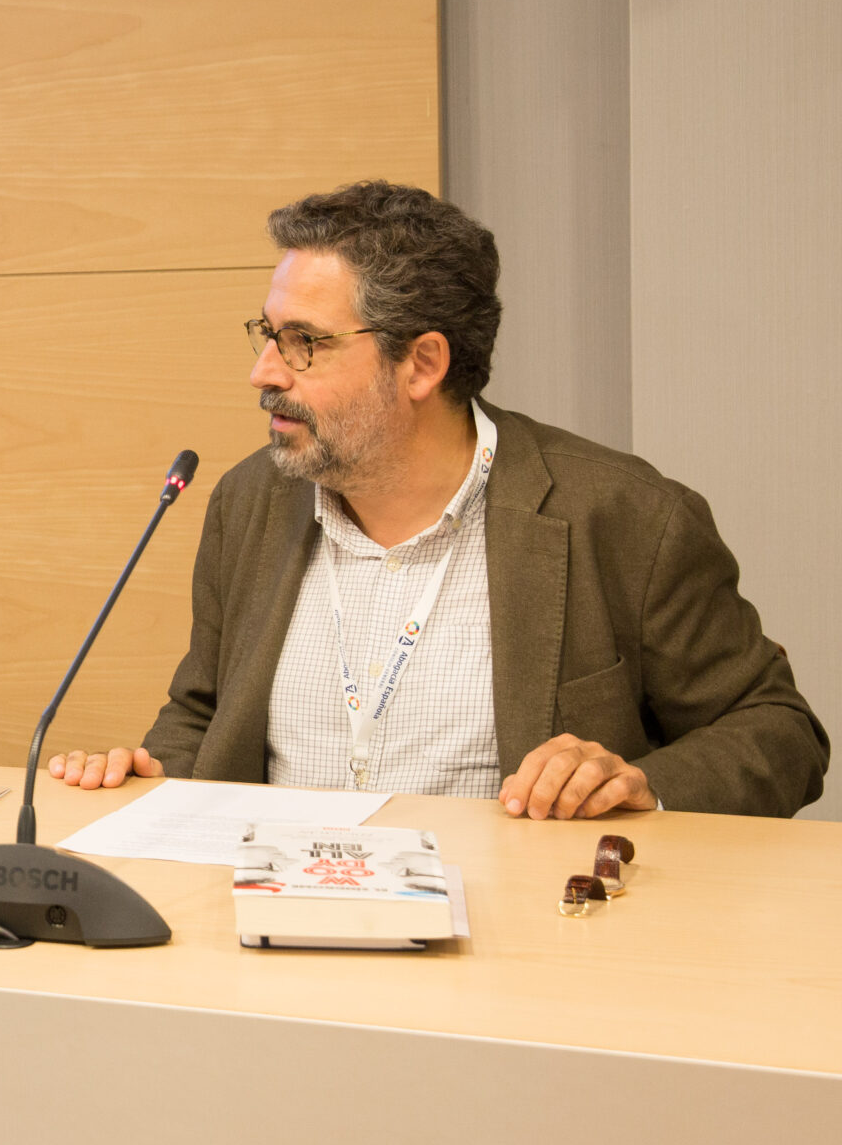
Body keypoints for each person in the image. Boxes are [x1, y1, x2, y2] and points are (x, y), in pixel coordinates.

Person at [50, 181, 825, 818]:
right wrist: (147, 774)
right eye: (268, 332)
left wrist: (641, 783)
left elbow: (780, 731)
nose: (265, 371)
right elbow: (202, 713)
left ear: (421, 363)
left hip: (512, 935)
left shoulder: (624, 517)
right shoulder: (250, 502)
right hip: (270, 924)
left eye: (304, 342)